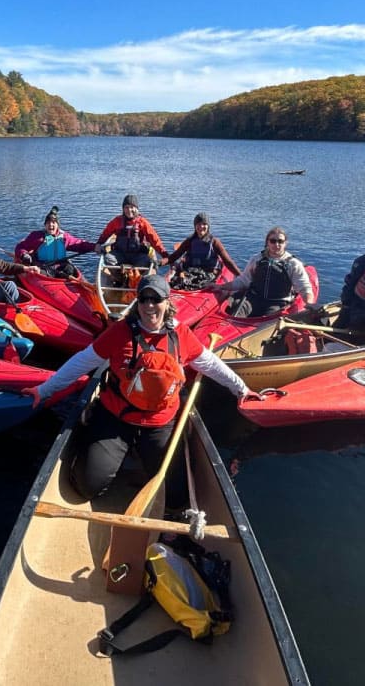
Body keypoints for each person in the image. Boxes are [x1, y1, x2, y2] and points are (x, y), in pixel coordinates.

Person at [28, 273, 263, 512]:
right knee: (86, 486)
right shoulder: (120, 332)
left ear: (167, 303)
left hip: (160, 421)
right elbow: (82, 362)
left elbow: (211, 364)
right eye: (144, 299)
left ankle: (140, 456)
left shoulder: (180, 334)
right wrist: (45, 389)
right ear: (137, 302)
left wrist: (241, 389)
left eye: (156, 299)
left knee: (176, 497)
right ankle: (100, 443)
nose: (149, 306)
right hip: (116, 417)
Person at [213, 227, 315, 317]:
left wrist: (310, 304)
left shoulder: (293, 264)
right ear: (267, 242)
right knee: (235, 313)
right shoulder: (257, 259)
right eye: (273, 241)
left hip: (277, 303)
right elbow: (243, 280)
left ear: (285, 243)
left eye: (280, 241)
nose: (277, 244)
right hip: (254, 299)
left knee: (269, 320)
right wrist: (221, 286)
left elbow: (304, 288)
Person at [14, 206, 96, 277]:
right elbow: (20, 247)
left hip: (60, 267)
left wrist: (95, 247)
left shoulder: (64, 237)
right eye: (48, 223)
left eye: (53, 222)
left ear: (57, 225)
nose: (51, 225)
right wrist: (24, 255)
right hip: (42, 268)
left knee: (70, 269)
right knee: (41, 272)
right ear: (45, 225)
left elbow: (80, 244)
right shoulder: (36, 236)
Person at [166, 212, 241, 289]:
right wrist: (159, 262)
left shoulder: (215, 242)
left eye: (204, 224)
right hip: (190, 271)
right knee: (179, 281)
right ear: (195, 226)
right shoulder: (189, 241)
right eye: (198, 224)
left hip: (208, 273)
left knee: (197, 283)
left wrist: (242, 276)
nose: (201, 226)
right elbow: (174, 256)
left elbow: (227, 261)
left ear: (208, 226)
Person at [96, 194, 169, 269]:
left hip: (138, 254)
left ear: (136, 209)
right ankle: (118, 276)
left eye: (132, 207)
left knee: (146, 261)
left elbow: (155, 240)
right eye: (126, 207)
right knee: (108, 258)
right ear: (123, 209)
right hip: (120, 253)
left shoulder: (142, 222)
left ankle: (136, 277)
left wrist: (165, 256)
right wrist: (99, 243)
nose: (129, 210)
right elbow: (106, 233)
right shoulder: (117, 221)